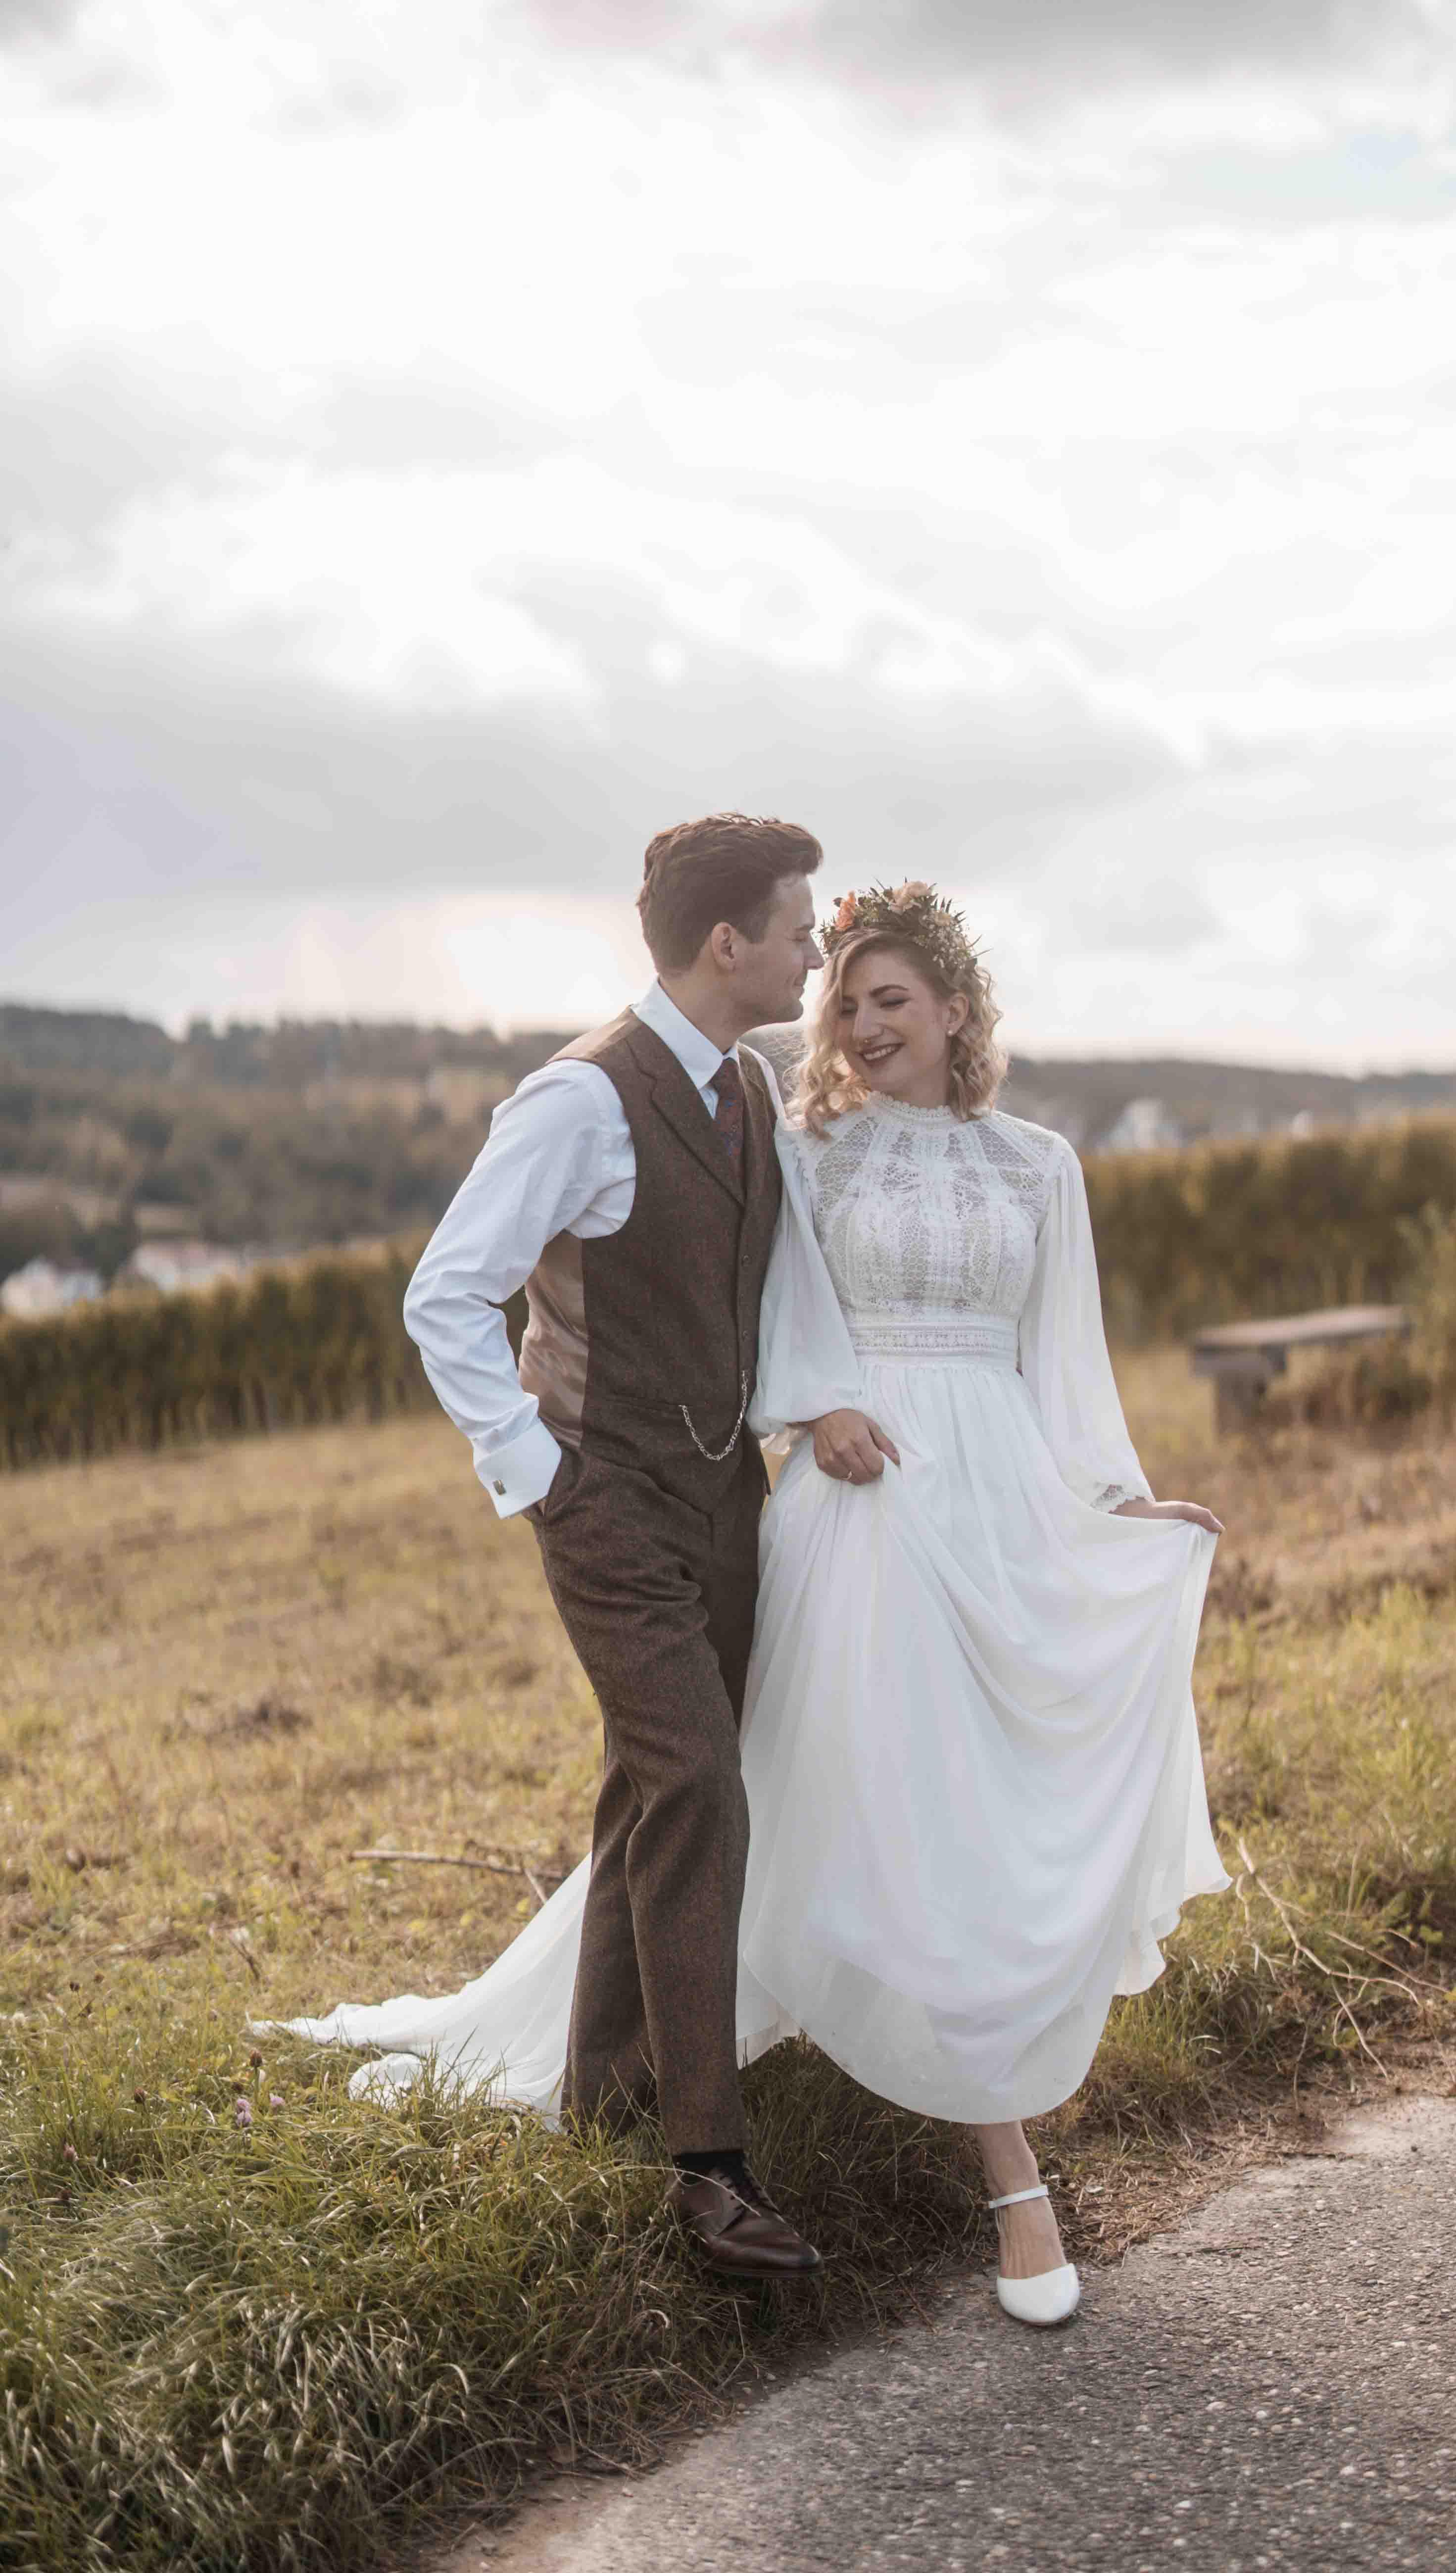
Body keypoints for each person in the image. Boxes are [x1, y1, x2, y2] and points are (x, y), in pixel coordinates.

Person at [278, 876, 1227, 2330]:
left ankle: (688, 2045)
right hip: (865, 1496)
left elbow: (1066, 1368)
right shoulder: (800, 1149)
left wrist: (1115, 1502)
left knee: (920, 1797)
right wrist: (816, 1404)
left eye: (887, 995)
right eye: (841, 993)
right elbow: (763, 1311)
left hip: (1001, 1497)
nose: (855, 1018)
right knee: (841, 1790)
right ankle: (1001, 2180)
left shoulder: (1043, 1167)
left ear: (959, 1010)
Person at [280, 812, 831, 2281]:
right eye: (799, 926)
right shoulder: (576, 1101)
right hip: (606, 1505)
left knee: (650, 1789)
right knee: (701, 1779)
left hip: (730, 1501)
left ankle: (599, 2094)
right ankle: (707, 2170)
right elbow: (444, 1297)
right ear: (730, 945)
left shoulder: (752, 1091)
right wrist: (540, 1478)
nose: (815, 948)